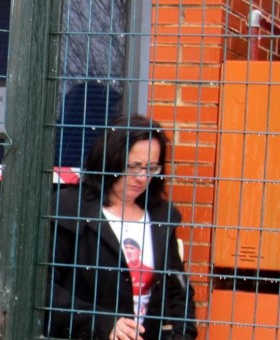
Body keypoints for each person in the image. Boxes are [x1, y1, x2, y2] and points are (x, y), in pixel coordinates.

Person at [46, 115, 197, 340]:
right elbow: (44, 287)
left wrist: (182, 334)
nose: (142, 177)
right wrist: (101, 322)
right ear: (111, 161)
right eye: (133, 166)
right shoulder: (70, 209)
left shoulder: (161, 216)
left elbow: (178, 288)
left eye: (151, 168)